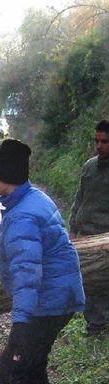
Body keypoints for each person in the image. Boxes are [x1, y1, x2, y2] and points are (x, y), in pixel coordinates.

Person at [0, 139, 85, 384]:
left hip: (48, 304)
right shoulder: (34, 198)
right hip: (58, 300)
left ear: (6, 177)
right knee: (32, 367)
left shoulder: (23, 217)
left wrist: (20, 324)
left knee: (10, 373)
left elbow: (27, 276)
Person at [69, 119, 109, 335]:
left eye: (105, 141)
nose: (99, 145)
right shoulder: (89, 166)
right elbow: (79, 199)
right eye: (97, 140)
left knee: (103, 283)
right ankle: (95, 324)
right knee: (89, 282)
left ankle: (99, 325)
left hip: (105, 238)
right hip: (85, 236)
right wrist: (73, 229)